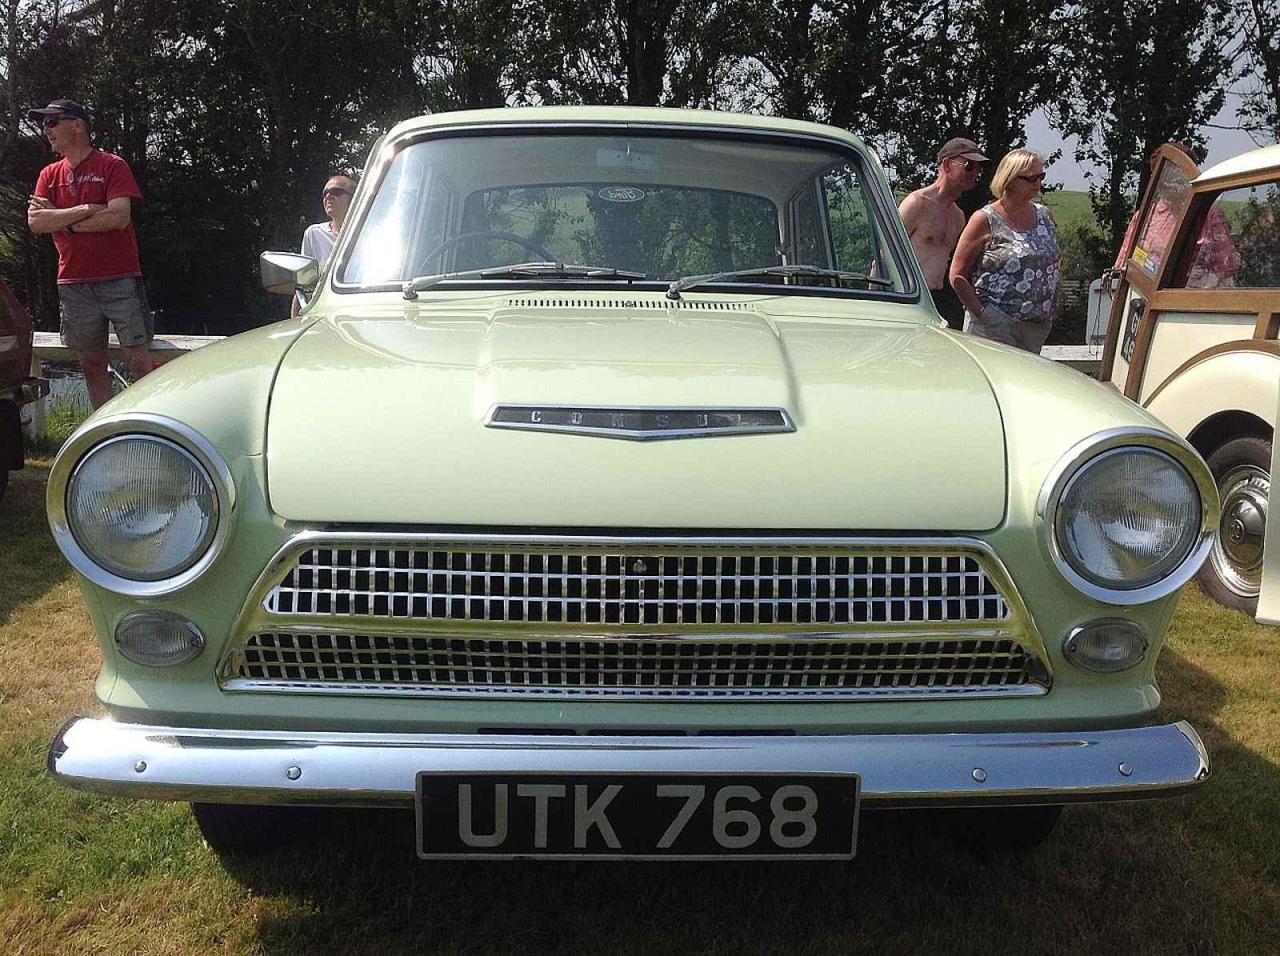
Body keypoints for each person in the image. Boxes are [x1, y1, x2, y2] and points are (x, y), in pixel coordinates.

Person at [26, 98, 152, 409]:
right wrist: (83, 210)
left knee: (138, 360)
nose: (46, 130)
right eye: (44, 124)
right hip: (73, 282)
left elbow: (118, 217)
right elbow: (36, 222)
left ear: (78, 124)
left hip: (120, 278)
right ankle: (105, 431)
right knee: (91, 364)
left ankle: (149, 426)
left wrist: (62, 220)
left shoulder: (112, 165)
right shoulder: (48, 174)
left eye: (52, 122)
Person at [949, 148, 1061, 354]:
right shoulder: (985, 219)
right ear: (1009, 179)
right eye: (1030, 178)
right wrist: (985, 315)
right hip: (995, 328)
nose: (1037, 183)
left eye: (1041, 176)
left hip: (1035, 327)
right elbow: (957, 275)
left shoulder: (1045, 216)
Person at [898, 137, 987, 330]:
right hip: (908, 299)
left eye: (980, 168)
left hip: (939, 301)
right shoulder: (916, 203)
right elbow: (884, 256)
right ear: (947, 164)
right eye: (969, 165)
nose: (975, 172)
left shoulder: (958, 216)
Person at [292, 174, 355, 317]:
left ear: (354, 200)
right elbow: (304, 285)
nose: (328, 196)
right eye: (325, 193)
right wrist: (295, 321)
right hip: (323, 316)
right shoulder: (314, 234)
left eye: (336, 192)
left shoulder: (369, 235)